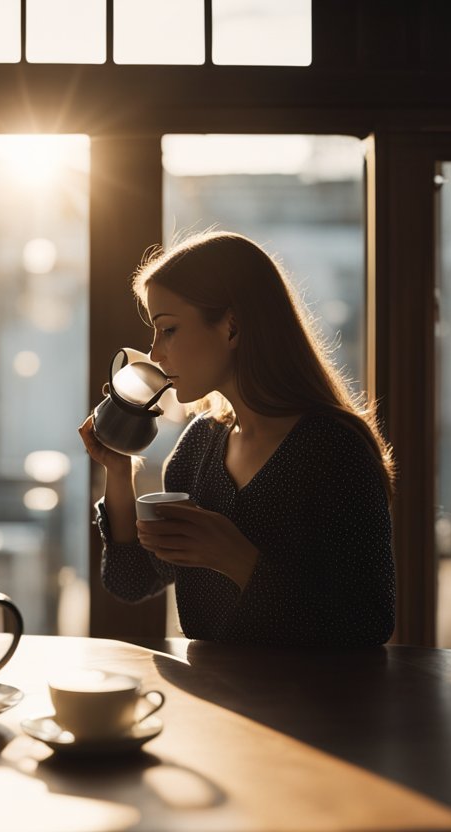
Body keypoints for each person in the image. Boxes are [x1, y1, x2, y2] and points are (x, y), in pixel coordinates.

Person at [78, 231, 396, 647]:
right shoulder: (197, 448)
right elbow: (130, 581)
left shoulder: (332, 449)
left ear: (231, 326)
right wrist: (119, 474)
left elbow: (369, 621)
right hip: (213, 700)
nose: (155, 353)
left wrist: (237, 559)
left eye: (168, 329)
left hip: (314, 706)